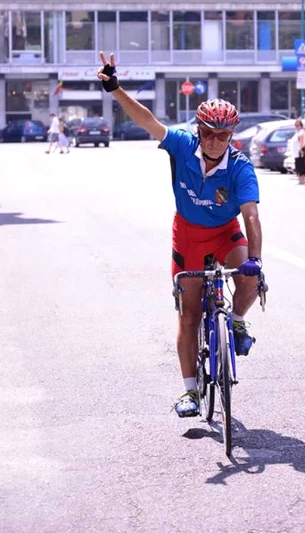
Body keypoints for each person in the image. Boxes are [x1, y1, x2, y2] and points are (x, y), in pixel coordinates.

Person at [97, 52, 264, 419]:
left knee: (251, 280)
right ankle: (189, 391)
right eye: (209, 133)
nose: (216, 141)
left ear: (231, 136)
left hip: (225, 233)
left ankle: (235, 321)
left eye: (224, 135)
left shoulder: (240, 167)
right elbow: (149, 121)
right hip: (188, 235)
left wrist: (256, 261)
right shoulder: (183, 146)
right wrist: (116, 89)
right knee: (189, 317)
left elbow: (250, 215)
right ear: (199, 130)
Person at [290, 119, 305, 185]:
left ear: (301, 125)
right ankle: (299, 180)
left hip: (300, 152)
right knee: (298, 166)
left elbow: (302, 142)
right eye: (296, 125)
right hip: (296, 153)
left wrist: (301, 150)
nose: (297, 127)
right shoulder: (297, 133)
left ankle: (302, 180)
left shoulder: (301, 132)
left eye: (298, 125)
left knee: (301, 166)